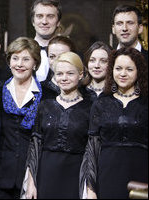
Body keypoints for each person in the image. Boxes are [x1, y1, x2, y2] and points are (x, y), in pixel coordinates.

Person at [0, 37, 43, 199]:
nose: (19, 64)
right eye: (15, 58)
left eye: (26, 59)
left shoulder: (47, 96)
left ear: (35, 64)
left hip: (32, 176)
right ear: (9, 62)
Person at [80, 47, 148, 199]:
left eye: (129, 69)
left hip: (141, 180)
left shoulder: (145, 104)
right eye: (118, 68)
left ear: (139, 72)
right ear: (111, 70)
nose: (123, 74)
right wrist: (90, 189)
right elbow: (92, 149)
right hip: (107, 178)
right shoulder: (101, 103)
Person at [22, 52, 92, 199]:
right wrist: (31, 183)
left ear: (80, 74)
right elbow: (35, 146)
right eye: (59, 74)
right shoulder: (44, 106)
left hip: (75, 175)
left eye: (70, 73)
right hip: (45, 174)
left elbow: (91, 150)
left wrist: (89, 187)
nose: (64, 78)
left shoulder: (90, 108)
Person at [30, 0, 62, 82]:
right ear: (33, 21)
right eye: (40, 16)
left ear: (58, 22)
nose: (44, 22)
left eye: (50, 16)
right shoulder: (20, 52)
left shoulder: (68, 53)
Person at [40, 35, 75, 100]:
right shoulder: (39, 90)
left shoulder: (84, 91)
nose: (56, 61)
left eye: (62, 56)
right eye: (52, 57)